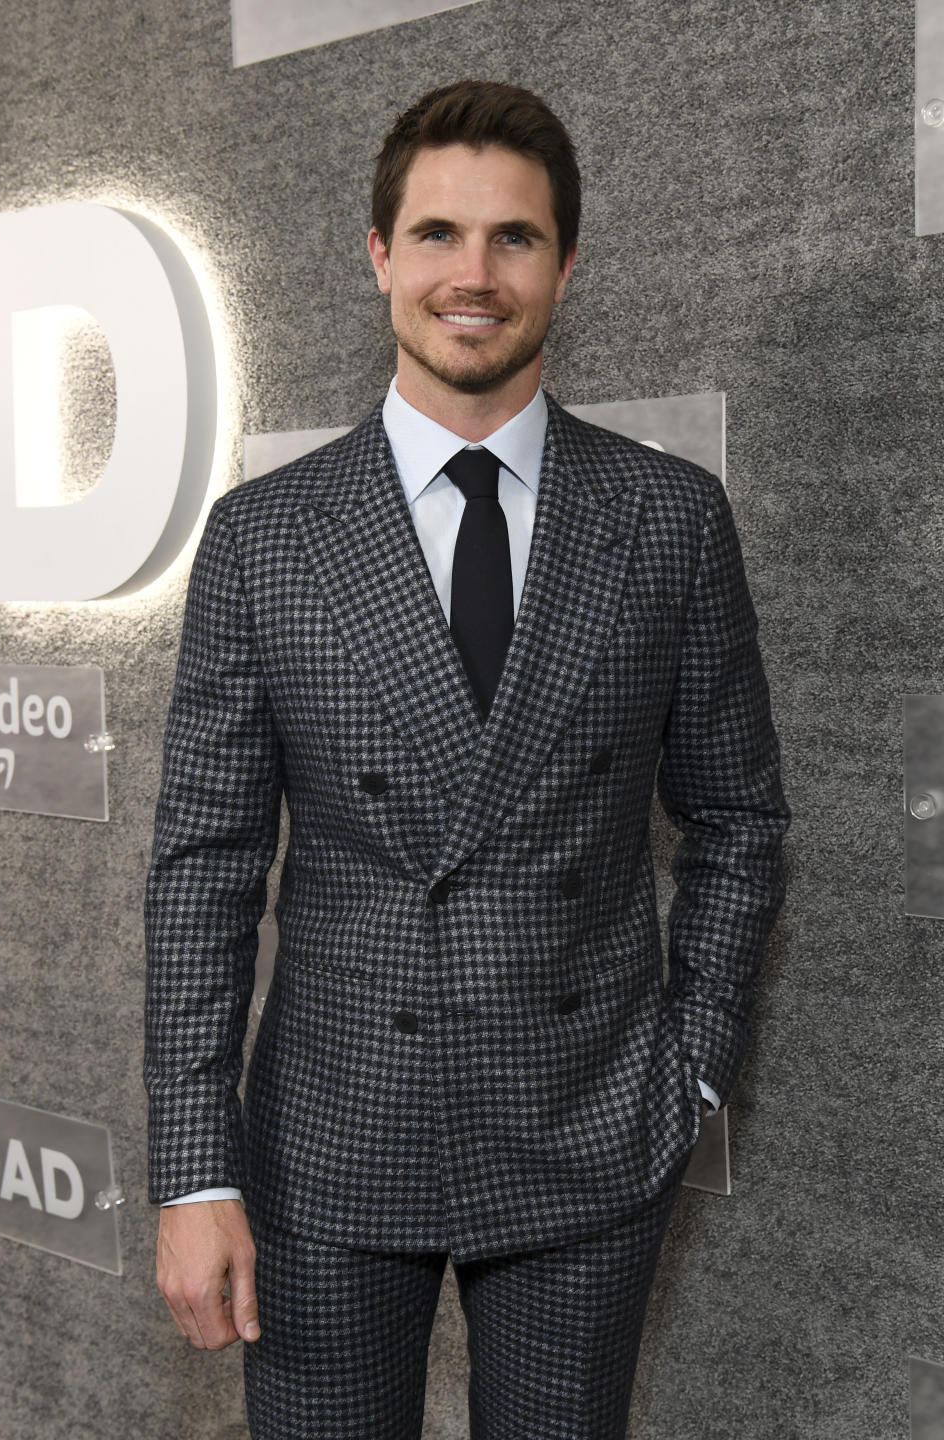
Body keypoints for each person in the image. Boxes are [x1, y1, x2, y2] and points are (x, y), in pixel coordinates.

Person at [144, 79, 788, 1439]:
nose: (473, 276)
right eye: (438, 234)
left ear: (567, 263)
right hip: (332, 1134)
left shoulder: (669, 519)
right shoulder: (266, 537)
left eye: (515, 239)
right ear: (379, 256)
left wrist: (696, 1069)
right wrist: (195, 1167)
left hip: (592, 1127)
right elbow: (203, 869)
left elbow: (737, 822)